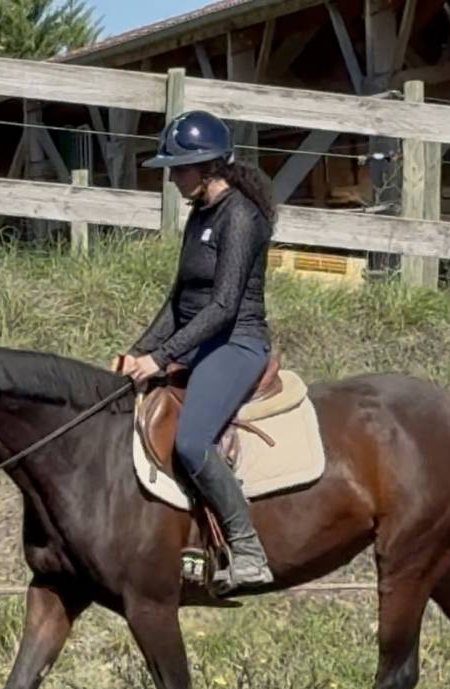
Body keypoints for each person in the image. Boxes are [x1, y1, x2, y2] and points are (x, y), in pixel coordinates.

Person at [112, 109, 277, 593]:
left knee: (190, 442)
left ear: (209, 166)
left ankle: (246, 549)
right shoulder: (200, 214)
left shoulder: (242, 216)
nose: (172, 178)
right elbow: (179, 300)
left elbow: (224, 306)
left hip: (237, 342)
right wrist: (138, 351)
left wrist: (161, 360)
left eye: (179, 169)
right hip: (201, 340)